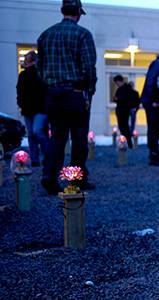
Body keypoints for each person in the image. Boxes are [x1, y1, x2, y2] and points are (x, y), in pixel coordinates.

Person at [37, 0, 96, 195]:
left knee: (57, 138)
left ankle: (49, 176)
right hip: (75, 93)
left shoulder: (46, 35)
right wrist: (89, 91)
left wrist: (49, 85)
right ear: (78, 12)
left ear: (62, 10)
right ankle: (75, 181)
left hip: (53, 93)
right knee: (79, 140)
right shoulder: (82, 34)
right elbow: (88, 67)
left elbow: (39, 68)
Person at [16, 50, 48, 167]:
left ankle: (47, 155)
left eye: (27, 59)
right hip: (27, 109)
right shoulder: (23, 75)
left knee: (37, 131)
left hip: (40, 109)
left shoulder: (39, 73)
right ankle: (35, 159)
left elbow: (44, 89)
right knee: (31, 134)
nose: (25, 60)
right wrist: (20, 103)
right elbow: (19, 91)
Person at [140, 52, 159, 166]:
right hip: (151, 101)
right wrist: (155, 99)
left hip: (150, 99)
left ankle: (154, 153)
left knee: (154, 127)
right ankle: (153, 154)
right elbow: (151, 81)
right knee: (154, 128)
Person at [112, 75, 135, 148]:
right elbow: (116, 98)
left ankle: (128, 143)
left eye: (116, 82)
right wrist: (117, 99)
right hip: (120, 110)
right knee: (122, 127)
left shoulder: (126, 88)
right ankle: (124, 142)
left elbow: (126, 98)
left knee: (125, 127)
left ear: (119, 81)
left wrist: (118, 98)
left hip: (124, 111)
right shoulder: (120, 89)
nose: (116, 84)